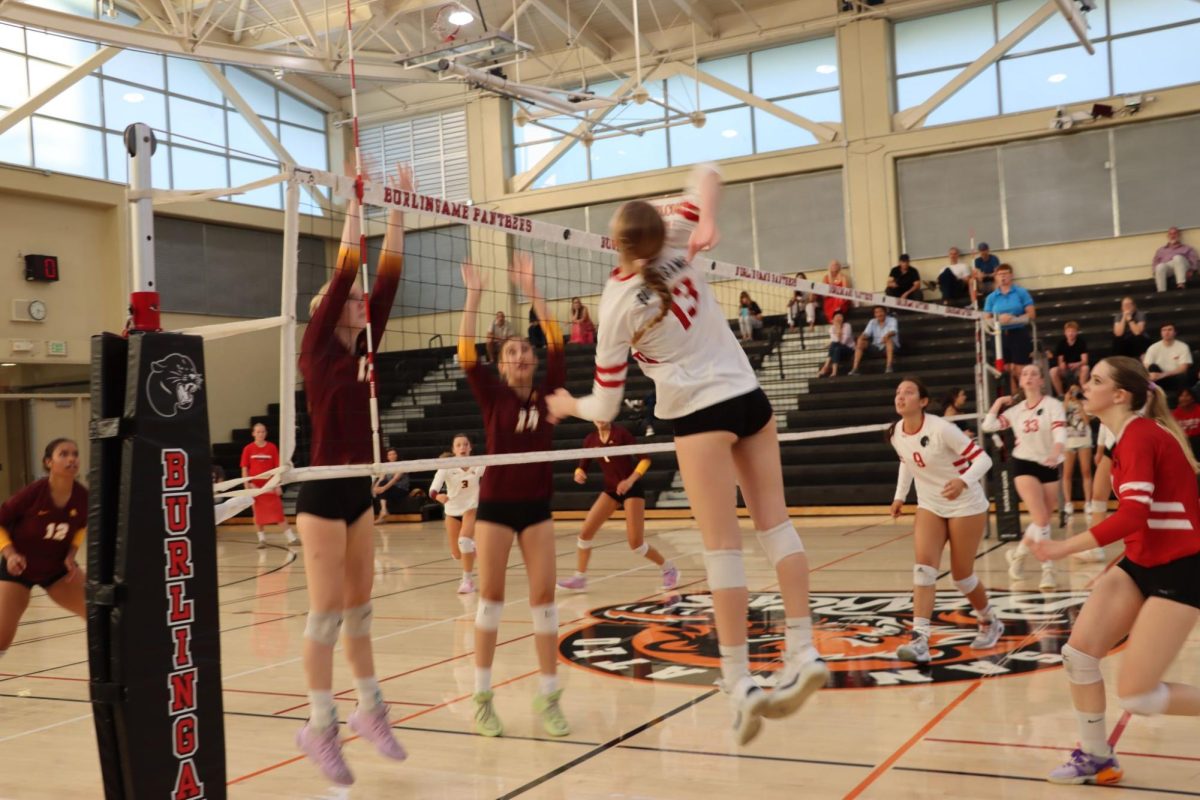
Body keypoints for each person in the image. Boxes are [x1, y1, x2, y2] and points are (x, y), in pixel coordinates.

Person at [547, 165, 829, 746]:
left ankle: (740, 681)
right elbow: (710, 172)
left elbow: (605, 408)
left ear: (616, 243)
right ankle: (803, 650)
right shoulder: (675, 236)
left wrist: (565, 404)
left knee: (722, 549)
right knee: (777, 529)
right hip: (749, 397)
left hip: (700, 415)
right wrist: (707, 223)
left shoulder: (615, 305)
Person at [1027, 357, 1200, 786]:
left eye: (1097, 380)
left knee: (1139, 695)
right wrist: (1118, 563)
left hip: (1181, 570)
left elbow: (1133, 516)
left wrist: (1063, 547)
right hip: (1142, 562)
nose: (1086, 385)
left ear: (1120, 395)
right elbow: (1151, 518)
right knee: (1079, 655)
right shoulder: (1123, 437)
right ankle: (1096, 757)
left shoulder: (1141, 435)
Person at [293, 165, 410, 784]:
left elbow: (385, 276)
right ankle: (318, 725)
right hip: (320, 494)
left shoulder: (365, 346)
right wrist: (356, 203)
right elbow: (348, 273)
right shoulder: (317, 347)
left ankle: (371, 711)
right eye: (354, 301)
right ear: (330, 311)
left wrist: (395, 208)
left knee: (361, 611)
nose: (366, 301)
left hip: (358, 494)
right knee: (327, 614)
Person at [459, 253, 569, 739]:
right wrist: (474, 297)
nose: (520, 357)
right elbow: (465, 352)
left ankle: (549, 696)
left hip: (537, 508)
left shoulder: (549, 395)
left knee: (545, 599)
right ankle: (482, 698)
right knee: (492, 599)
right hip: (497, 508)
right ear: (501, 365)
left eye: (525, 351)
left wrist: (534, 290)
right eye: (511, 354)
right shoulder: (492, 395)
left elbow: (558, 342)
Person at [888, 379, 1003, 664]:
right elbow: (906, 461)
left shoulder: (941, 429)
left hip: (966, 504)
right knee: (923, 570)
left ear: (923, 402)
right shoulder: (895, 433)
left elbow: (983, 459)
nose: (901, 396)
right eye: (898, 392)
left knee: (961, 576)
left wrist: (963, 482)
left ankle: (989, 620)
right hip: (930, 504)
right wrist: (900, 496)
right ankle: (920, 641)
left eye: (909, 392)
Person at [557, 420, 678, 592]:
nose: (600, 418)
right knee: (585, 534)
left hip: (631, 488)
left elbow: (645, 460)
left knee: (636, 544)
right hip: (611, 490)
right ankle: (579, 578)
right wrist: (579, 473)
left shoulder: (622, 434)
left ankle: (669, 568)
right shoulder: (590, 440)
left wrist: (629, 481)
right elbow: (582, 466)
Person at [0, 438, 88, 658]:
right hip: (18, 569)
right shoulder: (34, 493)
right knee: (2, 636)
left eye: (75, 454)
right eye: (64, 454)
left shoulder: (83, 496)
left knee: (99, 614)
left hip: (57, 570)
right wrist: (10, 554)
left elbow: (81, 527)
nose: (72, 459)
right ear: (48, 462)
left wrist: (71, 554)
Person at [981, 364, 1066, 591]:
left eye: (1034, 374)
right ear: (1020, 381)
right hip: (1023, 464)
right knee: (1040, 517)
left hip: (1049, 463)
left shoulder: (1053, 405)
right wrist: (999, 403)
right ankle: (1048, 569)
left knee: (1044, 519)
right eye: (1025, 374)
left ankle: (1018, 555)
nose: (1029, 377)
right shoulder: (1015, 411)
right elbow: (988, 425)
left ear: (1041, 381)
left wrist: (1056, 452)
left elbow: (1060, 433)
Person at [428, 435, 484, 595]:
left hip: (471, 508)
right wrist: (438, 496)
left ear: (470, 448)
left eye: (465, 444)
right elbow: (433, 490)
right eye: (458, 445)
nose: (462, 447)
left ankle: (467, 580)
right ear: (454, 450)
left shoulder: (479, 463)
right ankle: (474, 547)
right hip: (452, 511)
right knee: (457, 554)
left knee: (464, 541)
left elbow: (496, 474)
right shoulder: (446, 467)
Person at [240, 422, 299, 547]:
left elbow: (277, 467)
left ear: (266, 433)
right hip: (255, 488)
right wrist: (247, 484)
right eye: (258, 432)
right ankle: (262, 540)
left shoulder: (272, 447)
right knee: (257, 515)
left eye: (263, 431)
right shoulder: (248, 449)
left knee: (278, 513)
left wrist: (277, 485)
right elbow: (245, 468)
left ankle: (292, 538)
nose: (260, 434)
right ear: (253, 434)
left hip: (270, 486)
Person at [983, 264, 1036, 394]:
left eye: (1006, 274)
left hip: (1018, 332)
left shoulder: (1021, 292)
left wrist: (1013, 318)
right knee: (1005, 369)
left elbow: (1031, 314)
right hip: (999, 334)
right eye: (1000, 274)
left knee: (1020, 369)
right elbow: (986, 319)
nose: (1003, 277)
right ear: (996, 277)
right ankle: (1012, 397)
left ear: (1011, 275)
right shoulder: (991, 297)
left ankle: (1025, 395)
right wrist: (999, 320)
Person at [1062, 386, 1094, 521]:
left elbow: (1087, 421)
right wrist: (1066, 400)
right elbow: (1060, 421)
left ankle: (1088, 502)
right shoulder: (1063, 404)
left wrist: (1080, 404)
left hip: (1084, 440)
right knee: (1067, 474)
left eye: (1076, 391)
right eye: (1071, 391)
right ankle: (1068, 503)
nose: (1073, 393)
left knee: (1086, 472)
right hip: (1068, 442)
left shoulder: (1087, 403)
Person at [848, 305, 900, 376]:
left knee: (889, 340)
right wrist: (861, 337)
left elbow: (893, 331)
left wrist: (887, 335)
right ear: (874, 314)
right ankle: (855, 369)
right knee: (861, 342)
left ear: (885, 312)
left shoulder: (892, 320)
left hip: (890, 347)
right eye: (876, 312)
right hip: (876, 347)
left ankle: (889, 367)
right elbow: (866, 333)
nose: (879, 314)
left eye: (880, 312)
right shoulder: (872, 321)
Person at [1142, 323, 1193, 394]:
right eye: (1164, 330)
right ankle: (1155, 396)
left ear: (1175, 332)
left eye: (1170, 330)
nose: (1166, 332)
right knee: (1152, 367)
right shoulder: (1153, 348)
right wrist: (1155, 375)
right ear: (1161, 333)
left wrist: (1164, 374)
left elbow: (1183, 368)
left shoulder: (1183, 347)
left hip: (1175, 378)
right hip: (1158, 378)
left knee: (1182, 376)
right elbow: (1146, 365)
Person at [1151, 226, 1198, 292]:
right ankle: (1161, 292)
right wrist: (1154, 272)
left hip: (1183, 265)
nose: (1172, 236)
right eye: (1170, 234)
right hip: (1169, 267)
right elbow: (1155, 262)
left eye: (1175, 233)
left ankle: (1181, 284)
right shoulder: (1161, 250)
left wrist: (1192, 271)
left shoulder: (1187, 248)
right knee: (1159, 266)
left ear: (1179, 235)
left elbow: (1194, 261)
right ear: (1168, 236)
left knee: (1177, 257)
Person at [1050, 321, 1090, 397]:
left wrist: (1077, 364)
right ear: (1065, 333)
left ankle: (1084, 393)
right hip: (1066, 369)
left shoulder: (1081, 342)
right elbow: (1060, 361)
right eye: (1068, 331)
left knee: (1085, 368)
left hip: (1078, 368)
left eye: (1073, 331)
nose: (1070, 333)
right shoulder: (1061, 343)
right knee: (1053, 371)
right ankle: (1061, 395)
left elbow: (1085, 361)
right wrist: (1062, 365)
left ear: (1076, 332)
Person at [371, 447, 409, 523]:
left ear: (397, 455)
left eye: (393, 454)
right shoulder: (385, 466)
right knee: (380, 486)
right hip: (389, 489)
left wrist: (383, 488)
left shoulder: (401, 465)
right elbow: (381, 479)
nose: (392, 456)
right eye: (390, 455)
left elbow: (395, 479)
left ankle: (383, 513)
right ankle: (384, 510)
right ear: (387, 457)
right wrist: (375, 488)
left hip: (401, 489)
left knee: (382, 488)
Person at [817, 310, 854, 378]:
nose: (838, 318)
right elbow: (836, 341)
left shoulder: (847, 326)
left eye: (840, 316)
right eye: (836, 317)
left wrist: (839, 329)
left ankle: (826, 367)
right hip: (838, 350)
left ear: (843, 318)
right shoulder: (831, 328)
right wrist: (837, 329)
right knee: (836, 347)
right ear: (833, 319)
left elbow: (843, 342)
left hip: (848, 350)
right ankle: (834, 372)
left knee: (834, 345)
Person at [1172, 386, 1200, 460]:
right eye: (1181, 396)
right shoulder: (1175, 414)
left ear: (1193, 398)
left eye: (1187, 395)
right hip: (1184, 442)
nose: (1184, 398)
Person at [821, 259, 852, 325]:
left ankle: (838, 319)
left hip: (841, 298)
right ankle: (833, 320)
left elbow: (845, 290)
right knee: (830, 302)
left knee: (839, 300)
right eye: (833, 265)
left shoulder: (843, 277)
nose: (834, 266)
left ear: (839, 267)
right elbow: (823, 292)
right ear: (830, 267)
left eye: (836, 265)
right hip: (829, 298)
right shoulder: (826, 278)